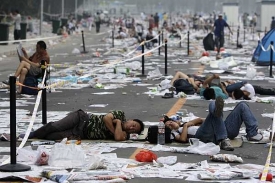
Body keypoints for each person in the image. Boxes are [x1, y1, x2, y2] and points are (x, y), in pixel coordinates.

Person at [165, 97, 263, 151]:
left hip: (222, 129)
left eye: (170, 121)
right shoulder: (175, 132)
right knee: (214, 112)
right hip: (202, 135)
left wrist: (188, 123)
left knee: (242, 105)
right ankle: (223, 140)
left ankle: (252, 134)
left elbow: (200, 120)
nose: (171, 123)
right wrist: (186, 125)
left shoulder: (184, 124)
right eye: (169, 125)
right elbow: (182, 139)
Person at [19, 110, 144, 141]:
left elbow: (118, 137)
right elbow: (107, 118)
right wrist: (114, 127)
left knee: (52, 137)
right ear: (130, 120)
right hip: (82, 119)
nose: (131, 127)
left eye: (134, 129)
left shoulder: (124, 135)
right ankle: (29, 135)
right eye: (133, 124)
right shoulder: (120, 114)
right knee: (55, 126)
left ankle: (36, 136)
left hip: (80, 134)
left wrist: (117, 124)